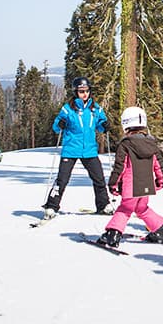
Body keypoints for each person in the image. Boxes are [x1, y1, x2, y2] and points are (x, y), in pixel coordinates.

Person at [96, 106, 163, 247]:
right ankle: (161, 232)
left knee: (125, 209)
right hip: (146, 185)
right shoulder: (151, 143)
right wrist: (160, 179)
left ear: (126, 124)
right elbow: (157, 163)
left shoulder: (126, 145)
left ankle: (113, 234)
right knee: (142, 209)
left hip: (130, 186)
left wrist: (113, 184)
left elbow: (119, 167)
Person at [42, 77, 112, 219]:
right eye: (81, 91)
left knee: (98, 179)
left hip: (89, 150)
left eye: (87, 91)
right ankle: (51, 206)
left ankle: (103, 205)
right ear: (76, 92)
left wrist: (104, 125)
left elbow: (100, 123)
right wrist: (60, 124)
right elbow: (56, 127)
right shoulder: (68, 109)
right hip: (71, 149)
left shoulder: (96, 109)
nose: (84, 94)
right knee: (62, 180)